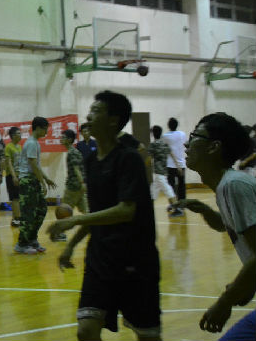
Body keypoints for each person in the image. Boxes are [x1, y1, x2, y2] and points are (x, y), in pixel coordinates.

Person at [47, 91, 161, 341]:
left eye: (96, 111)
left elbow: (126, 210)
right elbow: (97, 213)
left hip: (135, 260)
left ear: (113, 120)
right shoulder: (91, 161)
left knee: (147, 336)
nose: (89, 116)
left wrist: (75, 219)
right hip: (101, 259)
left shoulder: (129, 159)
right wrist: (72, 246)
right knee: (86, 330)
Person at [176, 112, 255, 340]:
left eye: (194, 136)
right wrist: (205, 211)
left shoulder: (234, 185)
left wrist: (224, 302)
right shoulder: (226, 185)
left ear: (214, 147)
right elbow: (226, 225)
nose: (187, 144)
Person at [14, 117, 56, 254]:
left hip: (33, 180)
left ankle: (32, 239)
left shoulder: (35, 143)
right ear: (38, 128)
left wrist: (46, 179)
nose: (46, 132)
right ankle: (21, 244)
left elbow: (36, 165)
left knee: (41, 210)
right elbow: (32, 164)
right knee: (28, 214)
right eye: (45, 129)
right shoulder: (31, 143)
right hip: (27, 181)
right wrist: (42, 183)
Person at [146, 125, 178, 213]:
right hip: (163, 172)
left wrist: (142, 165)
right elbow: (172, 154)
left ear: (153, 134)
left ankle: (177, 208)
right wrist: (178, 166)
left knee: (168, 190)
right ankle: (148, 209)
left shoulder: (153, 145)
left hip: (159, 172)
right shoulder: (164, 144)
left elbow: (149, 159)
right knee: (153, 191)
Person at [163, 117, 187, 216]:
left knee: (171, 186)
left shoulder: (165, 136)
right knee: (181, 186)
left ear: (168, 126)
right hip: (182, 164)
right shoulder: (182, 134)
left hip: (170, 165)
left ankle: (173, 204)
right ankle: (182, 204)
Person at [61, 129, 88, 214]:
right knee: (86, 211)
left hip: (73, 186)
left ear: (69, 140)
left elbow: (77, 169)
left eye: (63, 137)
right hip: (79, 186)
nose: (61, 139)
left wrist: (82, 183)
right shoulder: (73, 151)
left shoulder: (72, 152)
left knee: (64, 212)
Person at [4, 127, 23, 227]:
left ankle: (15, 218)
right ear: (13, 135)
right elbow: (9, 163)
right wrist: (14, 176)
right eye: (18, 133)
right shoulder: (8, 147)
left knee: (19, 198)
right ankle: (17, 219)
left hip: (20, 175)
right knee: (15, 198)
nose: (20, 135)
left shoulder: (19, 147)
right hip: (11, 176)